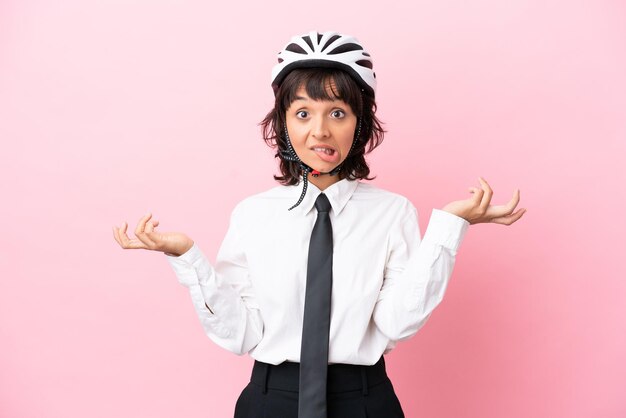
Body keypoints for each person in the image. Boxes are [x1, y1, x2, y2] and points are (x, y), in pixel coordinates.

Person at [112, 30, 526, 418]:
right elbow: (242, 334)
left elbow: (396, 323)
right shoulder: (252, 214)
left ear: (360, 123)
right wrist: (186, 256)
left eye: (338, 113)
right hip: (271, 399)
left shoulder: (392, 212)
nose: (320, 131)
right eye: (304, 112)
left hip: (364, 400)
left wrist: (449, 228)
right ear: (284, 122)